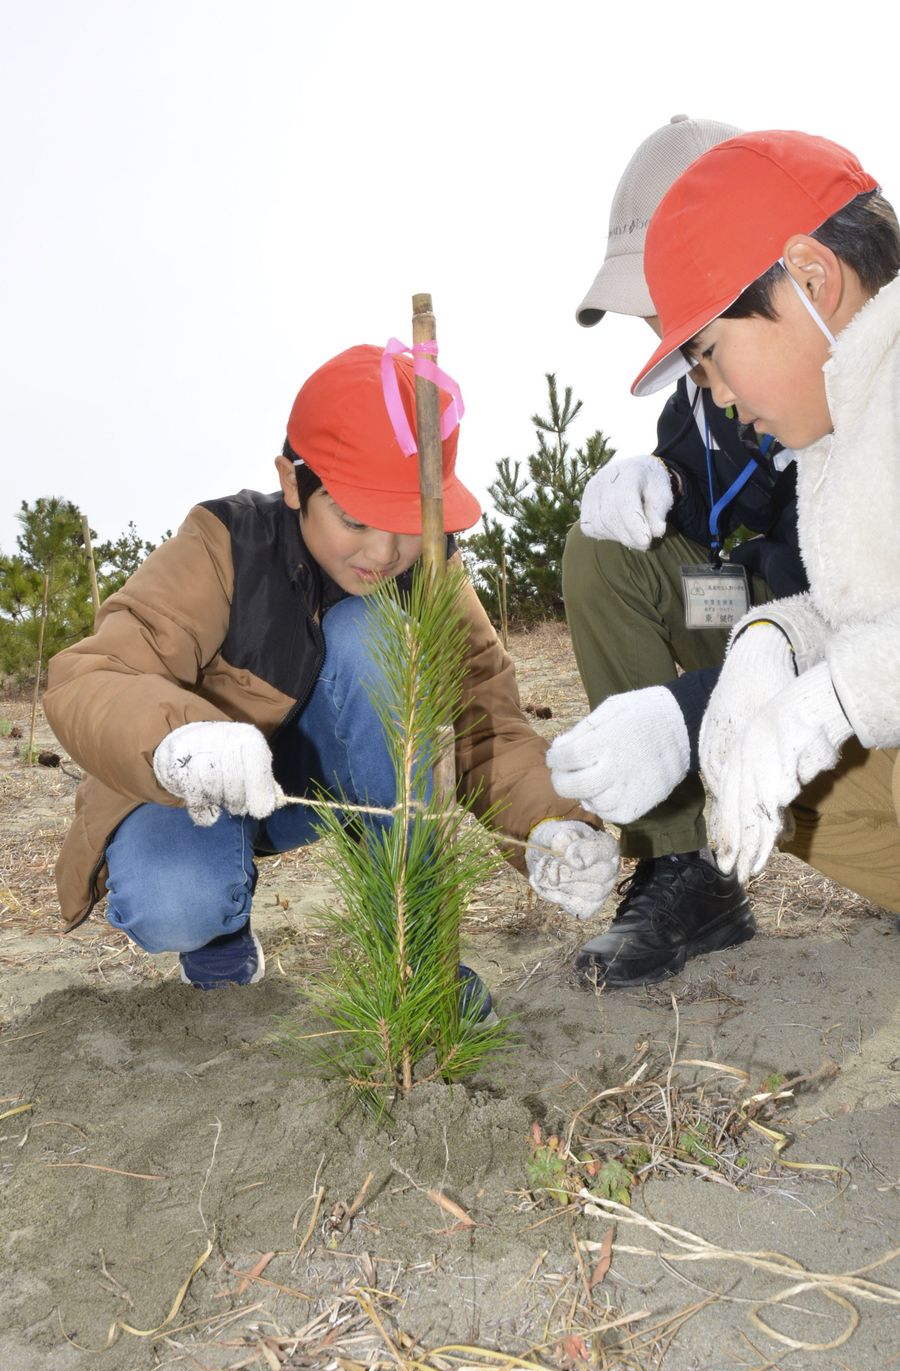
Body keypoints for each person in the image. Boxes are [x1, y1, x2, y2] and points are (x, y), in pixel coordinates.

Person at [44, 342, 619, 1001]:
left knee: (371, 630)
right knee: (172, 897)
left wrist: (547, 825)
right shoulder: (225, 544)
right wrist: (181, 743)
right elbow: (90, 675)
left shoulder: (430, 571)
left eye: (406, 523)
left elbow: (485, 726)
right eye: (354, 518)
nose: (383, 552)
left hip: (337, 784)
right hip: (205, 786)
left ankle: (416, 965)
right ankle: (219, 940)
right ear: (293, 480)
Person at [550, 116, 807, 988]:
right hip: (751, 619)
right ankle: (682, 862)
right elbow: (702, 511)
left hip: (835, 652)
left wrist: (680, 715)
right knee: (603, 553)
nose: (652, 321)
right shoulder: (695, 401)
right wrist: (656, 483)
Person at [625, 129, 900, 913]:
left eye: (710, 355)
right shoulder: (834, 428)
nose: (714, 395)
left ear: (810, 277)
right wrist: (770, 643)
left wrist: (835, 697)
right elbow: (872, 612)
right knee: (755, 760)